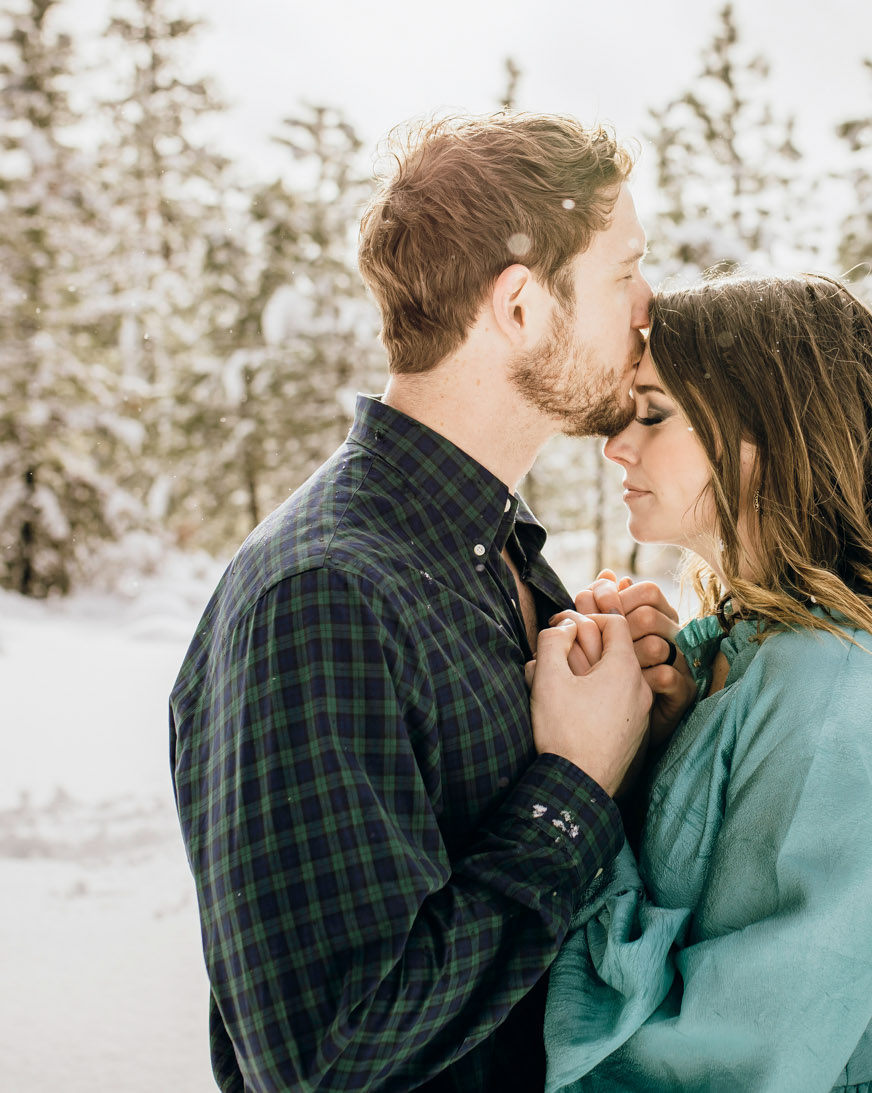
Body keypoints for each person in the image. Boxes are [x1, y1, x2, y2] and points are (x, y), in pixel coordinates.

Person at [167, 112, 691, 1093]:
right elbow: (329, 1055)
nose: (647, 305)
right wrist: (573, 786)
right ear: (522, 307)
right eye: (623, 272)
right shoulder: (324, 597)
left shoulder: (485, 548)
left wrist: (627, 725)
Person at [538, 275, 872, 1092]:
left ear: (765, 435)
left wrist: (581, 786)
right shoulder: (739, 641)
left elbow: (736, 1062)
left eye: (653, 413)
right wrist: (662, 729)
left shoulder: (842, 697)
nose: (616, 444)